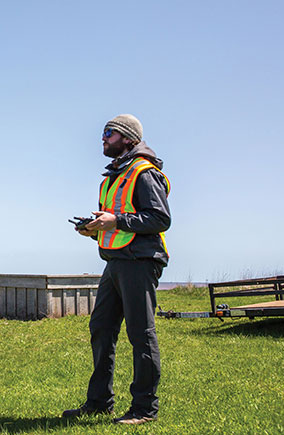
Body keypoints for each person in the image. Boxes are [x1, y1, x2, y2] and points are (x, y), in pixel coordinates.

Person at [63, 114, 171, 425]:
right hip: (115, 262)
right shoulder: (112, 176)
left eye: (109, 133)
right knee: (101, 329)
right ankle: (99, 402)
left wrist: (115, 220)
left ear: (128, 138)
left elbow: (160, 219)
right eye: (104, 133)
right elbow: (117, 220)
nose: (103, 138)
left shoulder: (144, 173)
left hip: (139, 261)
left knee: (141, 334)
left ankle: (144, 408)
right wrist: (94, 228)